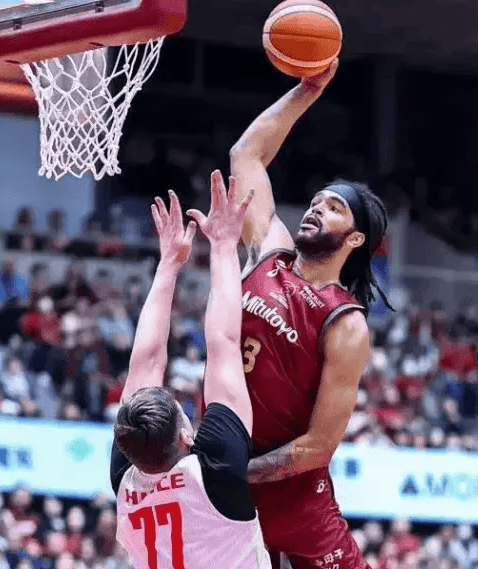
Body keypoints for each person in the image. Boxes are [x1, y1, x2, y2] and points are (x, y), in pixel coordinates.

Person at [229, 59, 391, 569]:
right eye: (317, 201)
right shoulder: (267, 252)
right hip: (224, 484)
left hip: (295, 502)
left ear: (355, 239)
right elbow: (246, 155)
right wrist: (307, 89)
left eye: (334, 207)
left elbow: (317, 447)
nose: (317, 208)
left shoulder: (345, 322)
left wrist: (236, 470)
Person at [110, 172, 271, 569]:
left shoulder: (128, 476)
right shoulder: (213, 472)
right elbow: (223, 343)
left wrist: (176, 261)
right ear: (185, 436)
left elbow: (148, 361)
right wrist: (221, 247)